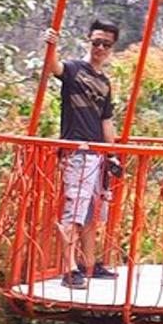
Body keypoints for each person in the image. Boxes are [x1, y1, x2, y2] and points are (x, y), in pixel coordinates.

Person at [43, 19, 120, 290]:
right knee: (73, 210)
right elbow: (53, 68)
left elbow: (106, 120)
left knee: (91, 212)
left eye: (106, 44)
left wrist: (112, 155)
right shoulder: (75, 70)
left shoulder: (104, 82)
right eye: (96, 42)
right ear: (88, 40)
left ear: (112, 48)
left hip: (97, 154)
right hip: (77, 150)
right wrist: (51, 45)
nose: (100, 48)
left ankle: (89, 263)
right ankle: (69, 269)